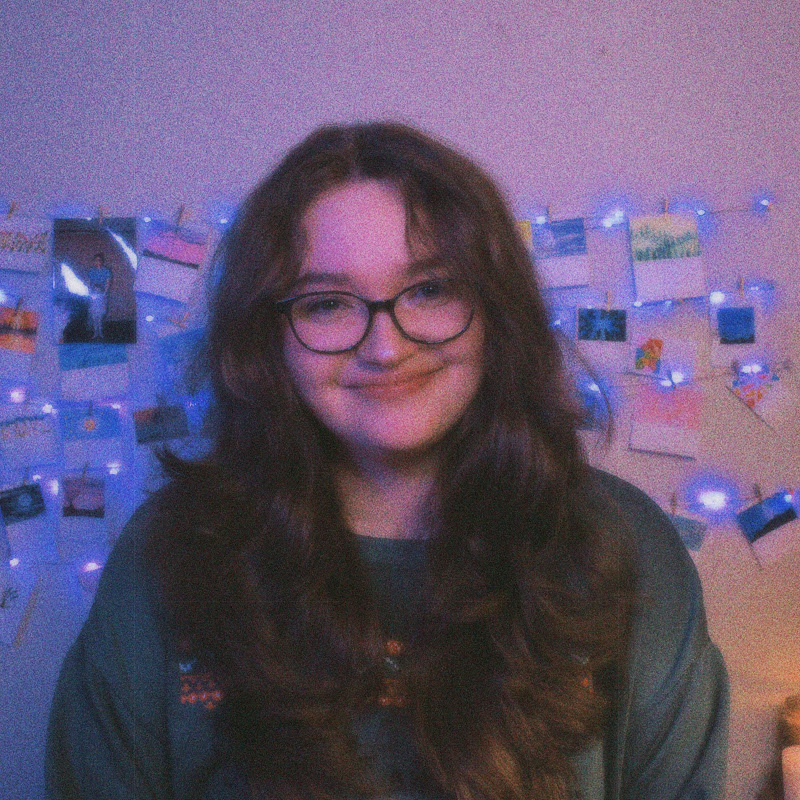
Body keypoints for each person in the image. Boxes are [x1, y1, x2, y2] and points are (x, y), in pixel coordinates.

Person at [45, 122, 729, 800]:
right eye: (327, 304)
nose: (385, 347)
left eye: (430, 289)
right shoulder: (165, 556)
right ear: (267, 337)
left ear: (495, 308)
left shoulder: (627, 547)